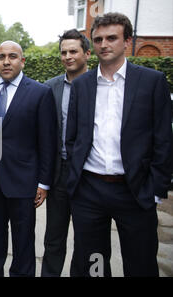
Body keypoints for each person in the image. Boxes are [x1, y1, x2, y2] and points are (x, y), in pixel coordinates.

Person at [66, 12, 172, 277]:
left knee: (140, 263)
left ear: (127, 41)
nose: (104, 44)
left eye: (112, 38)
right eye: (99, 39)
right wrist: (75, 182)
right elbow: (72, 137)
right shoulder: (81, 86)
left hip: (134, 191)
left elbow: (163, 140)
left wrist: (155, 190)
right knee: (93, 264)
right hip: (89, 190)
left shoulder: (151, 82)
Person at [0, 41, 57, 277]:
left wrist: (44, 183)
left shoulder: (40, 92)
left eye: (12, 56)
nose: (6, 61)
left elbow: (47, 141)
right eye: (1, 56)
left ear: (22, 61)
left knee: (23, 240)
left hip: (23, 182)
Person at [41, 29, 91, 277]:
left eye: (73, 51)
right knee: (54, 237)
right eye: (64, 52)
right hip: (59, 174)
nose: (68, 56)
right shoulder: (49, 88)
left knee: (87, 241)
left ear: (87, 54)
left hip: (90, 176)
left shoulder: (99, 86)